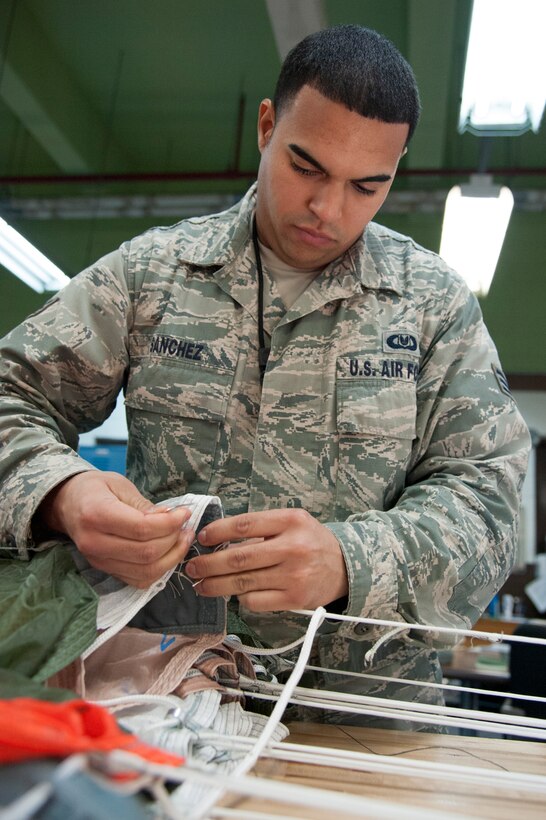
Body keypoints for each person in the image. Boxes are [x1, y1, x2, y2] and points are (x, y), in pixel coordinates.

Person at [0, 25, 530, 726]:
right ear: (266, 126)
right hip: (165, 694)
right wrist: (61, 493)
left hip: (360, 719)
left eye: (367, 185)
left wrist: (351, 559)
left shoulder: (433, 307)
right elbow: (12, 393)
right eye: (306, 166)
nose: (328, 209)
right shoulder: (152, 276)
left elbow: (487, 501)